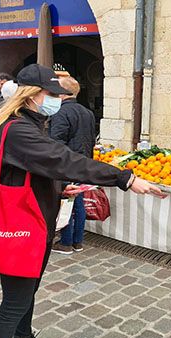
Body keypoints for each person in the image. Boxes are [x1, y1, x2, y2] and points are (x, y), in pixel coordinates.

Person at [0, 63, 160, 338]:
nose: (56, 99)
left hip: (36, 224)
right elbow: (63, 159)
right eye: (51, 93)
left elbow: (31, 172)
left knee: (26, 296)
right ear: (31, 95)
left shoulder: (30, 123)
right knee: (14, 304)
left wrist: (59, 188)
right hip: (19, 227)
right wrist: (123, 177)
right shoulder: (17, 129)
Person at [49, 77, 96, 254]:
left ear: (62, 93)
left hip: (66, 164)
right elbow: (90, 140)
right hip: (82, 162)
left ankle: (66, 242)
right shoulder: (87, 112)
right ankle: (77, 241)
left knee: (66, 201)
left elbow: (56, 142)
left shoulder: (61, 112)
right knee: (78, 202)